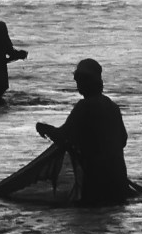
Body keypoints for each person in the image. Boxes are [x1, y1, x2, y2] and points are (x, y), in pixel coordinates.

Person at [36, 58, 131, 204]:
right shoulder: (112, 106)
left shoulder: (84, 107)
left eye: (81, 80)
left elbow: (62, 136)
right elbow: (123, 140)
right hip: (119, 180)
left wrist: (43, 128)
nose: (78, 84)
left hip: (96, 182)